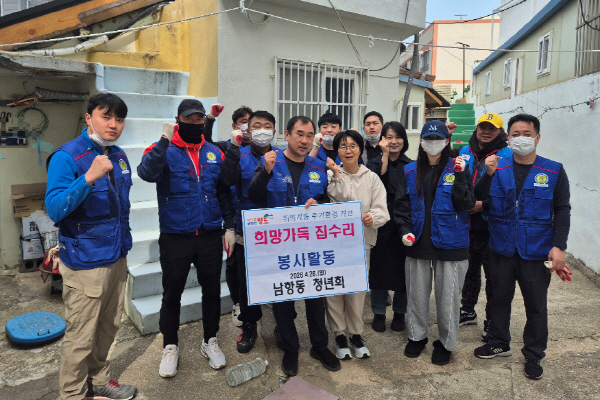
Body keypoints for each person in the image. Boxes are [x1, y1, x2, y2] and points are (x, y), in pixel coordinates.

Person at [45, 93, 137, 400]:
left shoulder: (119, 155)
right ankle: (72, 394)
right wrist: (87, 178)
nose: (113, 125)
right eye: (106, 117)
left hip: (116, 255)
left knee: (108, 327)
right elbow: (55, 209)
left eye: (119, 119)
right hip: (85, 262)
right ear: (89, 118)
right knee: (81, 335)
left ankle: (98, 381)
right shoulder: (67, 156)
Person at [137, 99, 235, 377]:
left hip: (209, 233)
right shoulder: (163, 149)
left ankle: (210, 340)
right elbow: (146, 173)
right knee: (172, 293)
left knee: (212, 291)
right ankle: (170, 345)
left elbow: (222, 191)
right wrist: (163, 140)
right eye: (189, 118)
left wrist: (229, 225)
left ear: (204, 120)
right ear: (178, 119)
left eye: (199, 118)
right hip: (176, 235)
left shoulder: (214, 152)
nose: (194, 123)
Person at [473, 114, 571, 380]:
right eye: (515, 134)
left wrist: (558, 247)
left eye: (526, 134)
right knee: (498, 299)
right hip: (501, 246)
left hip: (536, 250)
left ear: (537, 138)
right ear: (508, 138)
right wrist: (487, 174)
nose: (521, 139)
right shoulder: (497, 166)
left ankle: (534, 353)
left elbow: (562, 209)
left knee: (536, 305)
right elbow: (478, 197)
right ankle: (498, 342)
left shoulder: (553, 170)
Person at [248, 116, 341, 376]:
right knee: (283, 300)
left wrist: (320, 205)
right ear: (287, 135)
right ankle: (290, 348)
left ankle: (319, 346)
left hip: (311, 246)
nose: (304, 140)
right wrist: (265, 172)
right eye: (299, 134)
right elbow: (253, 196)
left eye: (310, 135)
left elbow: (327, 200)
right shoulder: (270, 160)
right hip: (279, 247)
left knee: (316, 298)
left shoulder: (319, 165)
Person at [394, 120, 475, 366]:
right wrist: (405, 231)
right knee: (417, 295)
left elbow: (466, 204)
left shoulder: (458, 167)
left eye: (438, 139)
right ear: (421, 141)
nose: (433, 143)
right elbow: (401, 205)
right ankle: (417, 337)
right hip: (417, 242)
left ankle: (446, 343)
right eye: (428, 139)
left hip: (452, 243)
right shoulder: (410, 171)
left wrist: (460, 176)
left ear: (447, 141)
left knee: (448, 299)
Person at [325, 129, 389, 360]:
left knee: (356, 291)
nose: (348, 150)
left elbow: (382, 209)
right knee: (334, 290)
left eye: (353, 146)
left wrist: (373, 218)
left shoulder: (371, 178)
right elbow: (337, 200)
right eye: (343, 146)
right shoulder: (330, 175)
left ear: (360, 149)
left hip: (361, 244)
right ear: (336, 150)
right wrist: (336, 175)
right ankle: (339, 335)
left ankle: (355, 334)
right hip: (333, 244)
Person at [219, 110, 280, 353]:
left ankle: (282, 324)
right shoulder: (239, 155)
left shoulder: (283, 157)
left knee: (277, 278)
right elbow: (225, 185)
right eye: (256, 126)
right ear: (248, 130)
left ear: (274, 131)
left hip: (278, 233)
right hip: (247, 231)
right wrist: (230, 226)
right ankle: (250, 324)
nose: (262, 130)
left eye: (267, 126)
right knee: (247, 283)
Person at [458, 112, 512, 340]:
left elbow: (511, 193)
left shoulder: (507, 155)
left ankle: (492, 320)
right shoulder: (464, 151)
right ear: (477, 129)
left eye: (492, 128)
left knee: (494, 278)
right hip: (467, 226)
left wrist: (484, 205)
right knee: (468, 273)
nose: (486, 131)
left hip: (493, 228)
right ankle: (467, 310)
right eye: (483, 127)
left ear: (500, 132)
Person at [368, 121, 412, 333]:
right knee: (378, 270)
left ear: (404, 139)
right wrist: (384, 155)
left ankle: (400, 313)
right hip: (380, 224)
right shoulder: (373, 163)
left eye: (398, 137)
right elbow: (375, 183)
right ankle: (378, 313)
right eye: (389, 137)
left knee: (403, 271)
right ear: (382, 140)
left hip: (404, 223)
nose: (394, 141)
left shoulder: (411, 165)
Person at [223, 105, 253, 328]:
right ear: (235, 126)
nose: (248, 126)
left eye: (251, 122)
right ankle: (238, 303)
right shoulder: (226, 147)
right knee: (233, 262)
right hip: (232, 216)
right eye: (244, 122)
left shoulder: (259, 150)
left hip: (255, 216)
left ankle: (257, 298)